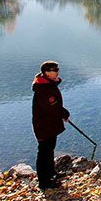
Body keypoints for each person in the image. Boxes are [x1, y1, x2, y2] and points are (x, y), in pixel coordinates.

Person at [32, 61, 70, 190]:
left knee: (50, 149)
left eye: (57, 69)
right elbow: (52, 107)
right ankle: (44, 182)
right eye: (53, 69)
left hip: (50, 124)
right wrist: (64, 113)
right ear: (46, 73)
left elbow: (54, 107)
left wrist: (62, 113)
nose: (57, 71)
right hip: (43, 125)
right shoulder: (43, 89)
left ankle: (51, 173)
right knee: (44, 151)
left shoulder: (48, 85)